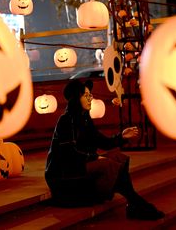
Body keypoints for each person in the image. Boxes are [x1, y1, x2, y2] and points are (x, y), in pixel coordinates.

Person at [44, 79, 165, 220]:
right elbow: (68, 153)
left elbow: (103, 142)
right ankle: (135, 202)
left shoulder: (85, 119)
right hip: (64, 174)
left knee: (119, 158)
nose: (90, 98)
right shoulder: (66, 120)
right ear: (76, 99)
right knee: (107, 164)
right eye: (86, 95)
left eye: (90, 95)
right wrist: (94, 157)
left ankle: (133, 202)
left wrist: (122, 137)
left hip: (79, 166)